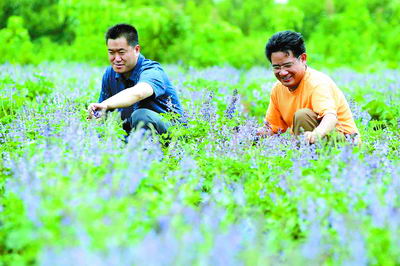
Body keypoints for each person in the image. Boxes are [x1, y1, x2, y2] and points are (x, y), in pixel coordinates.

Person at [258, 30, 360, 144]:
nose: (282, 72)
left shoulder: (317, 83)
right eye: (276, 67)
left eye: (287, 65)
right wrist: (247, 134)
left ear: (303, 59)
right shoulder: (277, 89)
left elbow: (330, 117)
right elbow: (272, 128)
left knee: (302, 116)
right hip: (311, 142)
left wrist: (317, 134)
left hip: (345, 144)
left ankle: (308, 157)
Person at [87, 23, 183, 136]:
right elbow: (103, 114)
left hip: (173, 135)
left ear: (136, 50)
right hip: (134, 134)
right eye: (111, 52)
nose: (117, 59)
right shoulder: (110, 74)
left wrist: (106, 104)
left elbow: (139, 93)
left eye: (122, 52)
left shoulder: (152, 71)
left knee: (141, 116)